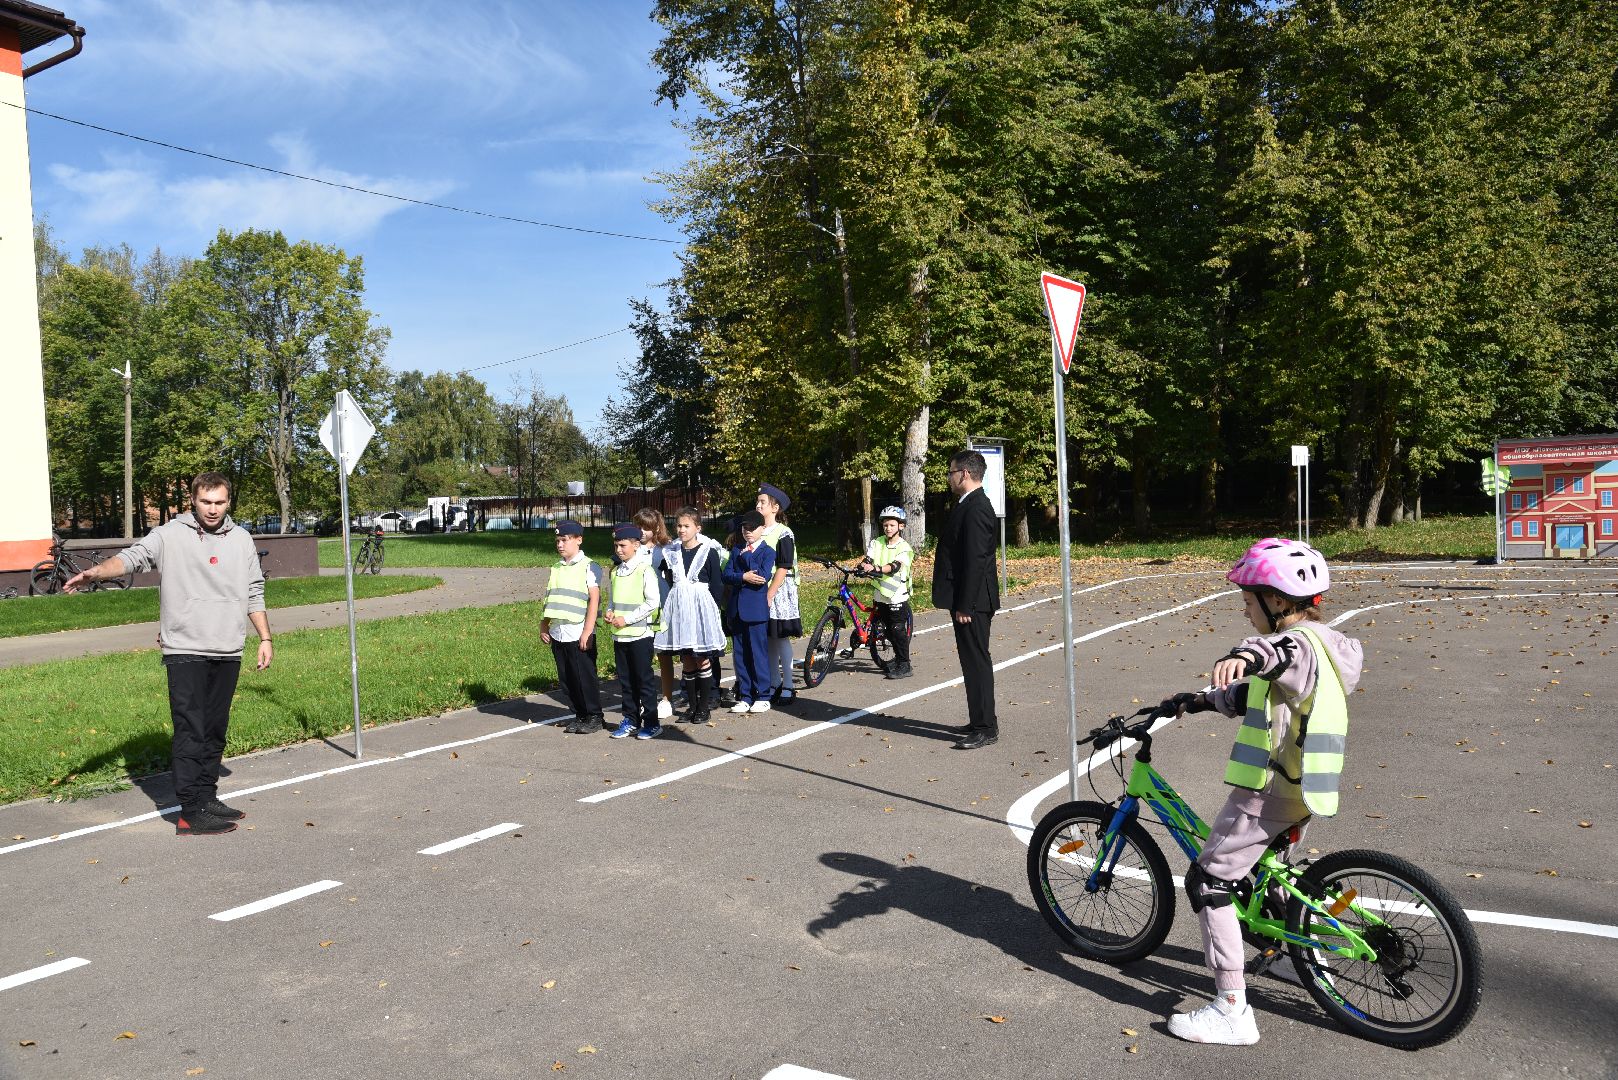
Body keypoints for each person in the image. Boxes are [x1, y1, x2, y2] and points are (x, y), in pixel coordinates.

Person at [1162, 537, 1363, 1046]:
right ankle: (1300, 959)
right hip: (1304, 784)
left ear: (1278, 602)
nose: (1244, 609)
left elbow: (1269, 657)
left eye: (1249, 601)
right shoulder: (1324, 644)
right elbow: (1260, 690)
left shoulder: (1290, 646)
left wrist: (1240, 654)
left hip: (1270, 789)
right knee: (1271, 873)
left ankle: (1231, 1008)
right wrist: (1200, 700)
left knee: (1209, 881)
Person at [64, 472, 272, 836]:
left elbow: (254, 590)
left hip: (228, 647)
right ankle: (189, 811)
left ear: (228, 502)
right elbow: (132, 558)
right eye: (206, 502)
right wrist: (96, 573)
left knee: (214, 730)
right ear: (193, 500)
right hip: (185, 648)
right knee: (190, 730)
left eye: (219, 502)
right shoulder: (169, 535)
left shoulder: (241, 539)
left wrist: (265, 638)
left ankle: (207, 797)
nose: (212, 509)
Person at [931, 451, 1000, 749]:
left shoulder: (977, 508)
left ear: (964, 474)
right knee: (971, 662)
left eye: (951, 472)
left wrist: (966, 605)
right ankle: (978, 719)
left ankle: (986, 727)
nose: (949, 478)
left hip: (973, 602)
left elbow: (976, 561)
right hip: (968, 599)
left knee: (977, 661)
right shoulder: (968, 505)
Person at [656, 508, 727, 724]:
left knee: (702, 657)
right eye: (679, 526)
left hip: (701, 609)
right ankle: (692, 707)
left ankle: (704, 707)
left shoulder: (708, 550)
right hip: (680, 609)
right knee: (686, 659)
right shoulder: (671, 552)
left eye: (687, 526)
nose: (682, 530)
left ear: (698, 528)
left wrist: (711, 610)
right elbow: (669, 577)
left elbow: (716, 584)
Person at [539, 520, 605, 734]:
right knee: (567, 679)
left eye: (565, 540)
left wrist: (588, 630)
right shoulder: (556, 567)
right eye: (557, 540)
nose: (560, 544)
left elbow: (594, 599)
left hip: (578, 631)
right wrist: (544, 624)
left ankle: (594, 716)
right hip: (558, 632)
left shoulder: (589, 566)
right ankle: (581, 715)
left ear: (578, 540)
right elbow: (549, 598)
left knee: (583, 677)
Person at [604, 523, 665, 740]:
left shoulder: (644, 570)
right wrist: (609, 612)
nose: (618, 550)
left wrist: (627, 619)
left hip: (640, 634)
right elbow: (613, 599)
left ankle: (652, 722)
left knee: (644, 681)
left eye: (623, 545)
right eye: (616, 545)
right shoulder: (616, 572)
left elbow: (652, 602)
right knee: (626, 681)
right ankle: (630, 719)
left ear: (636, 545)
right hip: (620, 635)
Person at [722, 510, 776, 713]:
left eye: (752, 528)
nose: (748, 532)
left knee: (758, 653)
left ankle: (763, 695)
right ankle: (745, 695)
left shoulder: (767, 551)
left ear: (762, 529)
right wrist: (743, 576)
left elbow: (762, 576)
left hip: (755, 610)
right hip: (736, 609)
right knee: (740, 654)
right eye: (745, 528)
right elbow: (727, 575)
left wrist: (744, 564)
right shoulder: (736, 549)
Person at [755, 483, 801, 704]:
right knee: (769, 639)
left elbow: (784, 565)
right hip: (762, 589)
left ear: (775, 507)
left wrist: (771, 592)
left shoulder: (784, 532)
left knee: (780, 638)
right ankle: (774, 682)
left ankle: (789, 685)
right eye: (758, 502)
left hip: (779, 590)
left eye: (762, 502)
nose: (758, 505)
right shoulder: (757, 531)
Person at [858, 505, 914, 679]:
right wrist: (863, 566)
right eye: (885, 525)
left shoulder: (905, 547)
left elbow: (895, 567)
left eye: (892, 525)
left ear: (901, 526)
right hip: (880, 594)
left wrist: (876, 568)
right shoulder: (877, 542)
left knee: (897, 629)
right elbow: (869, 558)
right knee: (886, 630)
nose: (888, 528)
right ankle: (897, 659)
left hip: (897, 594)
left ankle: (905, 665)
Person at [634, 507, 679, 721]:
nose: (642, 532)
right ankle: (645, 699)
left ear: (656, 528)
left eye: (647, 528)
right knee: (642, 656)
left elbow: (672, 579)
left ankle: (667, 698)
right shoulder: (632, 549)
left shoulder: (666, 550)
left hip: (661, 608)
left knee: (664, 655)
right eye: (639, 527)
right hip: (638, 608)